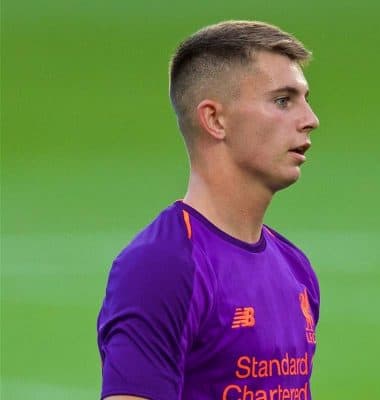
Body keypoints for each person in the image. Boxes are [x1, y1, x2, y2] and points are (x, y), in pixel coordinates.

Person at [97, 20, 321, 400]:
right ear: (215, 120)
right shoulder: (164, 265)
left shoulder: (295, 269)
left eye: (304, 99)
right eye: (283, 101)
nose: (310, 119)